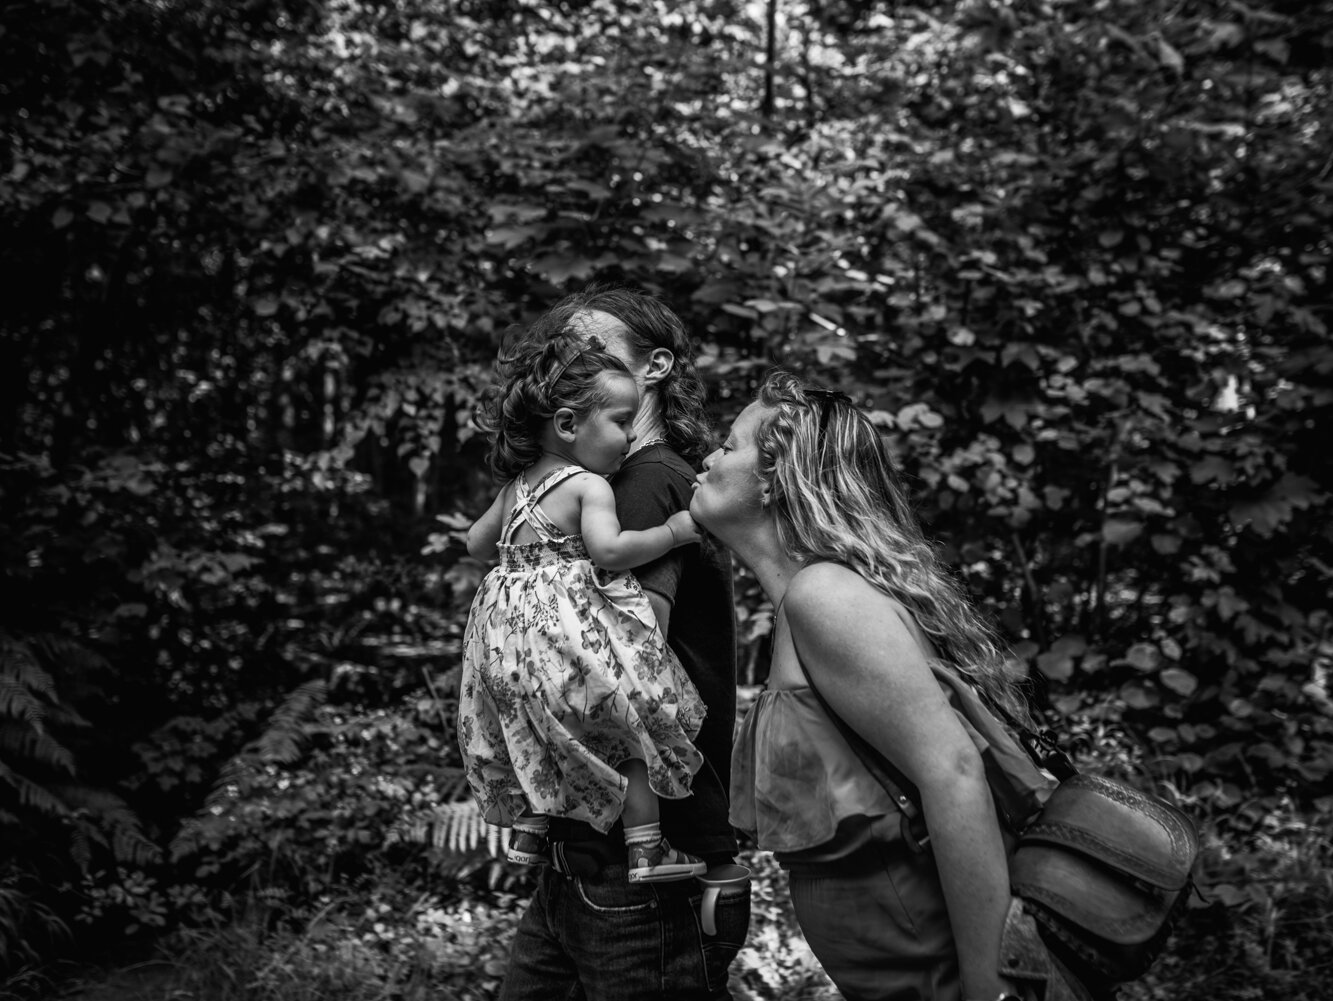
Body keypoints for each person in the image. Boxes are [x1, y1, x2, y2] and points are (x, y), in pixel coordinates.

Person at [690, 370, 1085, 1001]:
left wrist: (993, 986)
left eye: (730, 445)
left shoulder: (826, 597)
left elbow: (954, 774)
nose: (709, 456)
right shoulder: (806, 601)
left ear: (775, 479)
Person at [494, 287, 749, 1001]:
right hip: (593, 851)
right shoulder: (603, 487)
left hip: (640, 861)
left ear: (656, 367)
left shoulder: (644, 486)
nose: (571, 366)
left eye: (594, 350)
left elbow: (624, 665)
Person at [460, 333, 709, 883]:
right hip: (568, 641)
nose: (628, 437)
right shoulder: (587, 485)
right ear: (569, 424)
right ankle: (647, 849)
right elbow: (611, 551)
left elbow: (478, 545)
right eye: (621, 421)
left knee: (535, 729)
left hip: (507, 649)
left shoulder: (517, 486)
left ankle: (532, 825)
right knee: (628, 732)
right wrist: (672, 532)